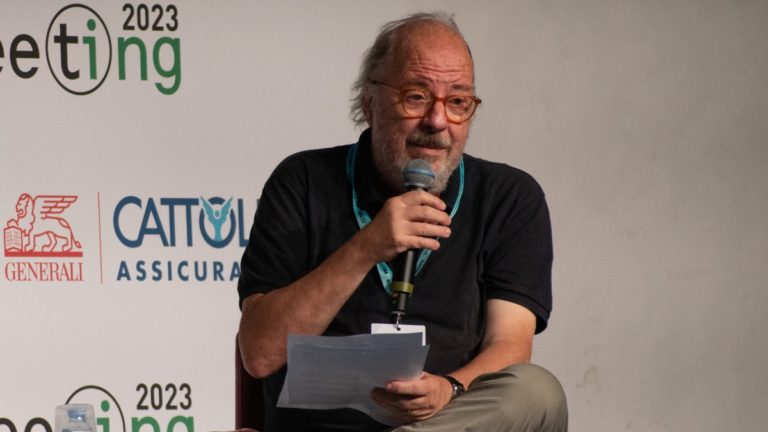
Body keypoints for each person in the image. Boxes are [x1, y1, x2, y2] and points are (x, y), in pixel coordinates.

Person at [237, 11, 568, 432]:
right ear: (369, 103)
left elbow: (511, 344)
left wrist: (450, 388)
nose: (437, 121)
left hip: (452, 421)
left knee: (538, 392)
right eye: (416, 97)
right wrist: (366, 247)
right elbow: (260, 354)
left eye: (458, 102)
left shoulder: (509, 197)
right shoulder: (302, 181)